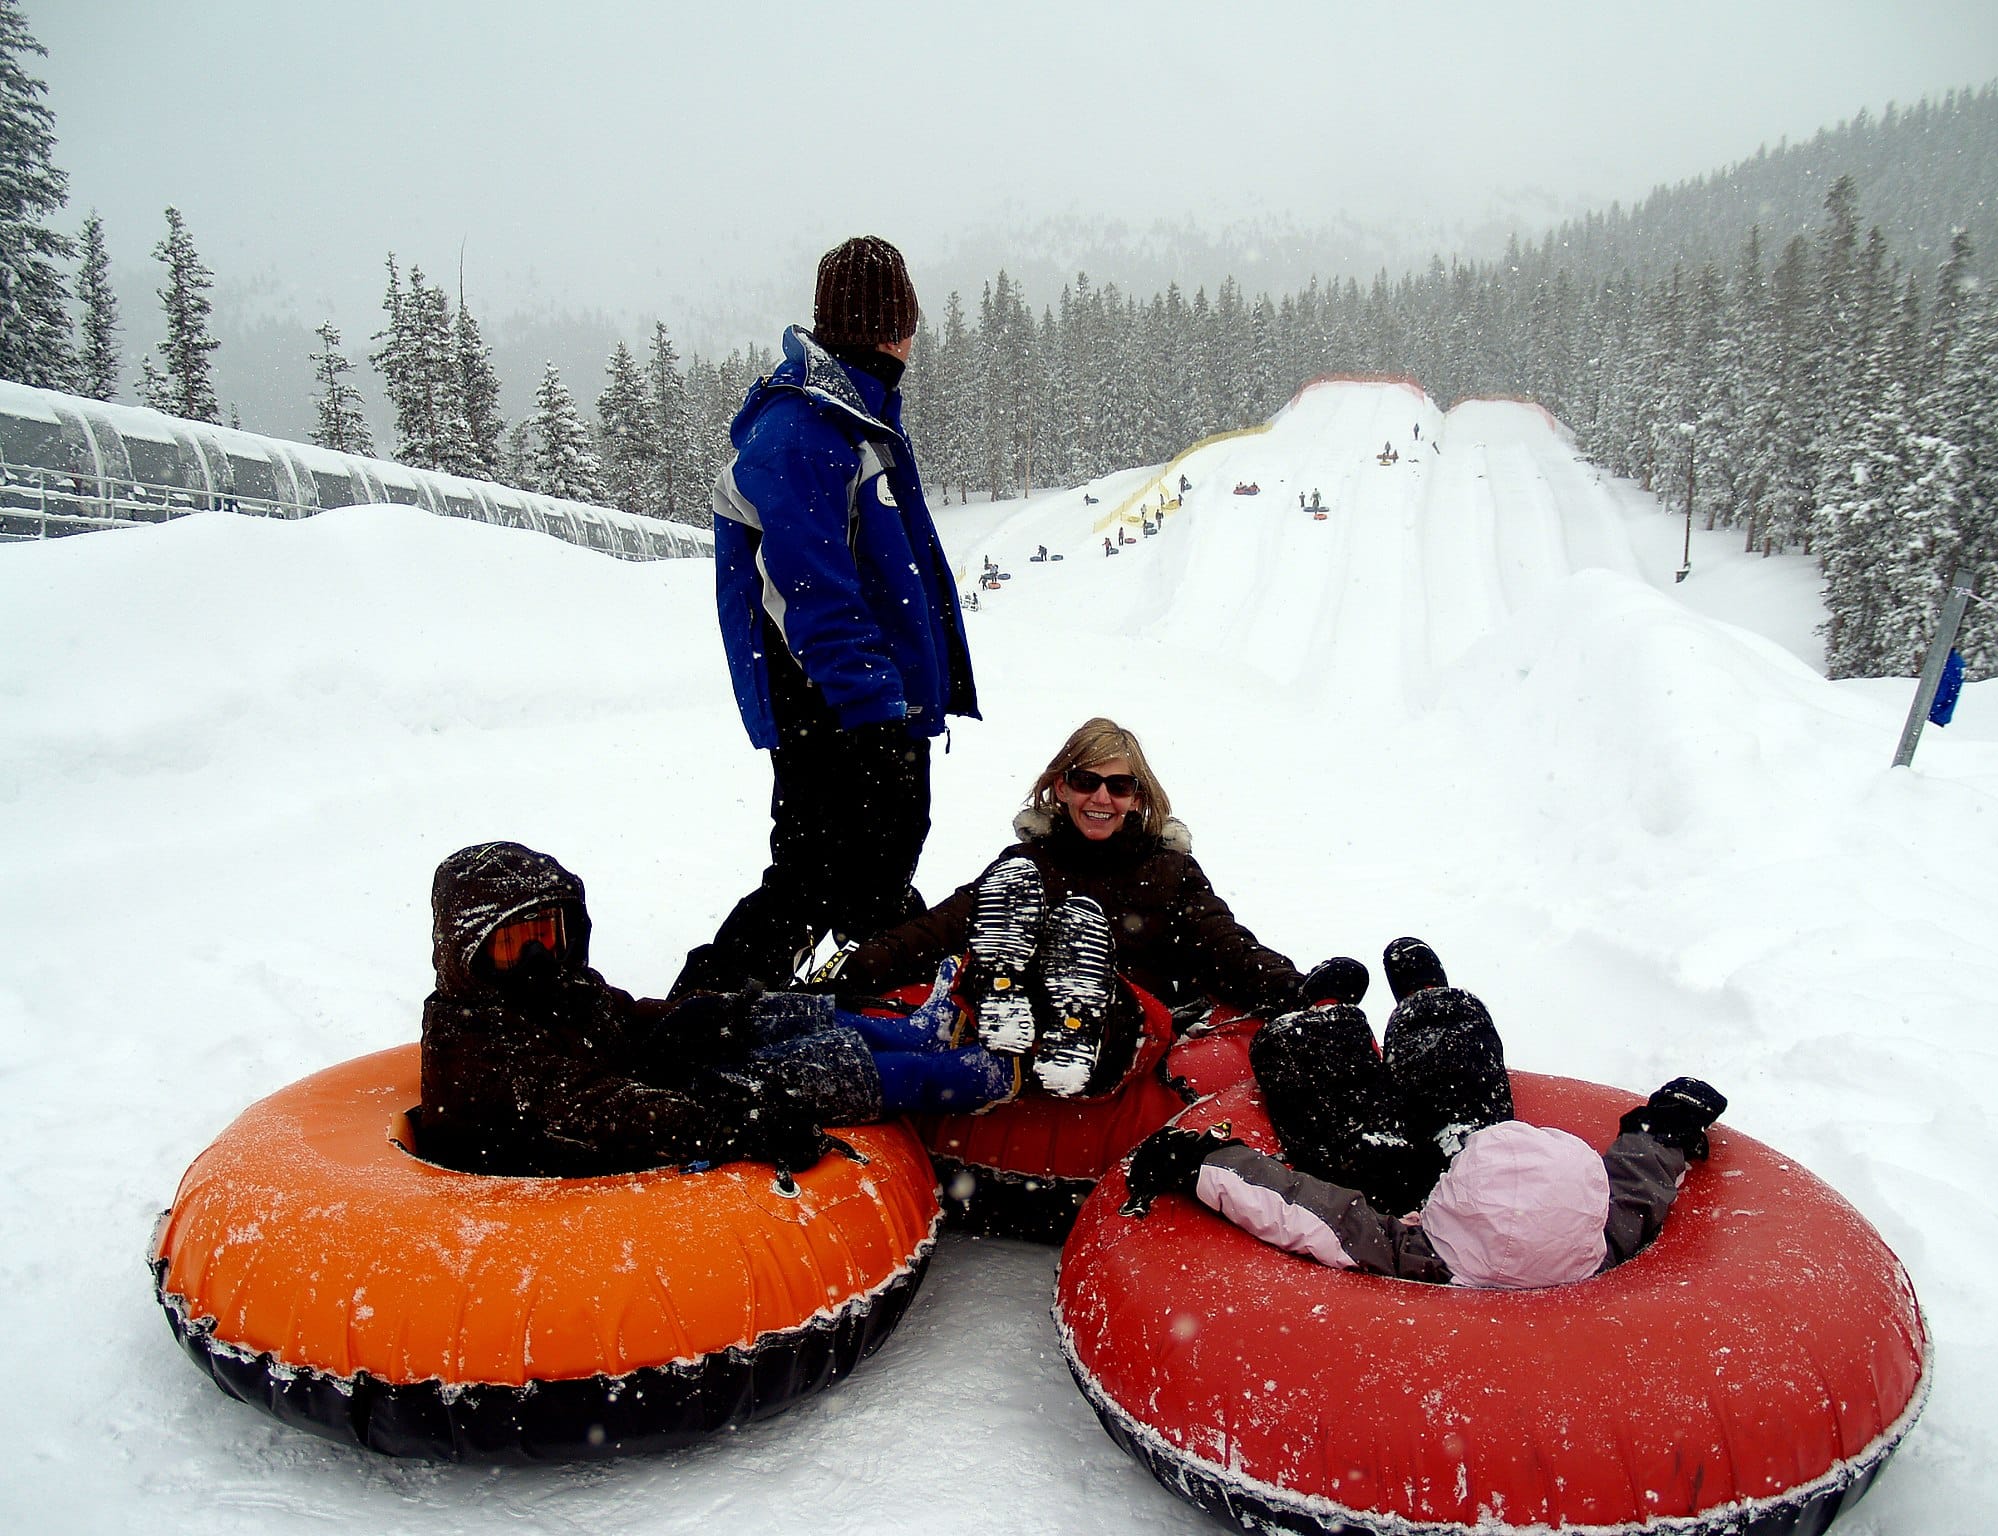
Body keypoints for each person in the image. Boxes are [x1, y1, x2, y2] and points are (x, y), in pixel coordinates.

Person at [676, 236, 978, 995]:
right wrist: (871, 708)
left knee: (879, 865)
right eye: (906, 318)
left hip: (871, 698)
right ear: (890, 327)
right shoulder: (802, 429)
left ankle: (873, 993)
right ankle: (708, 1010)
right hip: (832, 704)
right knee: (814, 876)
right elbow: (806, 588)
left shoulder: (854, 416)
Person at [1121, 938, 1726, 1289]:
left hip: (1397, 1184)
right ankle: (1429, 1007)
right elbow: (1638, 1183)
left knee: (1342, 1132)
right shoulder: (1604, 1247)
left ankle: (1321, 1016)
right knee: (1462, 1096)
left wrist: (1204, 1161)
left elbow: (1307, 1208)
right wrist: (1667, 1126)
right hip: (1460, 1168)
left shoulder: (1415, 1259)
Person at [415, 842, 1018, 1179]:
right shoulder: (479, 1044)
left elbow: (621, 1017)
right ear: (467, 955)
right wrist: (734, 1122)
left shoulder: (559, 990)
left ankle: (916, 1032)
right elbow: (599, 1113)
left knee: (759, 1015)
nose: (538, 958)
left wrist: (706, 1014)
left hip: (634, 1079)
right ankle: (970, 1075)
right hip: (596, 1137)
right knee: (800, 1074)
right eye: (512, 945)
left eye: (548, 935)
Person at [833, 718, 1343, 1099]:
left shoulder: (1167, 872)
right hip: (1019, 1021)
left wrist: (1302, 992)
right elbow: (943, 925)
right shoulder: (1026, 866)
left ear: (1138, 797)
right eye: (1085, 781)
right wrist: (860, 966)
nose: (1101, 797)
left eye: (1119, 786)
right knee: (996, 944)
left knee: (1106, 985)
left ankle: (1076, 1013)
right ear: (1060, 787)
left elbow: (1225, 946)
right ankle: (1012, 994)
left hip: (1125, 1023)